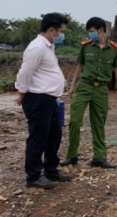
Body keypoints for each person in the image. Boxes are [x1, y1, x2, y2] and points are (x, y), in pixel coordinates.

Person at [15, 13, 72, 188]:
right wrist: (22, 92)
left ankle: (51, 170)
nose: (62, 35)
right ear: (51, 30)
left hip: (50, 100)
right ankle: (33, 176)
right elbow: (25, 72)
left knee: (54, 135)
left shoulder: (49, 46)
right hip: (38, 99)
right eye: (60, 31)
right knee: (38, 137)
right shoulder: (37, 47)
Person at [60, 17, 117, 169]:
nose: (90, 35)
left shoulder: (115, 49)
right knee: (75, 121)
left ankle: (99, 157)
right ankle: (71, 156)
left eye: (91, 32)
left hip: (101, 89)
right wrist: (72, 86)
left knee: (98, 123)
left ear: (100, 30)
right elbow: (79, 66)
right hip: (84, 87)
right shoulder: (86, 46)